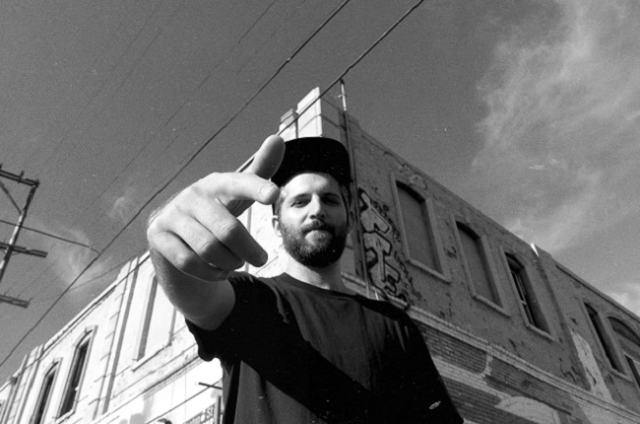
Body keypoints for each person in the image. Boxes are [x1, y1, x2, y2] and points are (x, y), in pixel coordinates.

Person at [147, 135, 464, 424]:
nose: (317, 210)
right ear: (276, 224)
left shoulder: (395, 325)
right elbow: (196, 296)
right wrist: (166, 240)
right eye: (300, 202)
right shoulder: (249, 301)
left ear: (350, 220)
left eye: (330, 200)